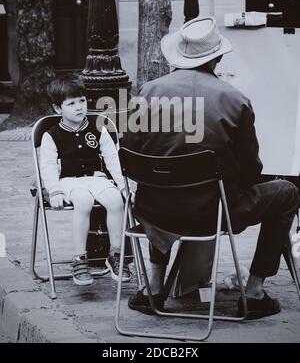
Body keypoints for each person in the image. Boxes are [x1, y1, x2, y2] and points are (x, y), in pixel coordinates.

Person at [123, 16, 300, 319]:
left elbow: (131, 152)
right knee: (287, 193)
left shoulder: (147, 91)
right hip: (213, 214)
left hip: (153, 211)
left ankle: (154, 287)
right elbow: (251, 169)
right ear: (217, 57)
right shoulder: (234, 99)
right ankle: (255, 291)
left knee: (159, 186)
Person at [40, 74, 131, 285]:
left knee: (116, 200)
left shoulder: (98, 127)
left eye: (81, 101)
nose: (79, 107)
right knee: (84, 202)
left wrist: (122, 185)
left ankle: (115, 254)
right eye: (71, 103)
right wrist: (55, 191)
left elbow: (112, 158)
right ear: (58, 109)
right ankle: (80, 258)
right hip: (69, 182)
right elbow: (48, 166)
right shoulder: (51, 135)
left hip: (95, 178)